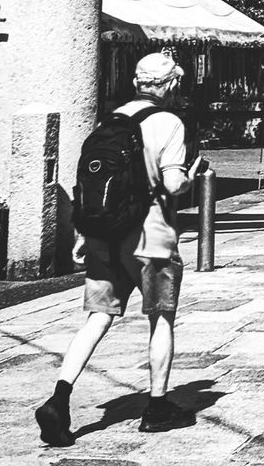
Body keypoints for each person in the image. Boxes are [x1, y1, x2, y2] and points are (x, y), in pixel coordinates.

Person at [35, 53, 204, 446]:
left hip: (103, 236)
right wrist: (190, 176)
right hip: (149, 237)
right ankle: (157, 407)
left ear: (136, 82)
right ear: (170, 85)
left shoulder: (109, 122)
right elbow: (174, 185)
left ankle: (59, 398)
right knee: (161, 317)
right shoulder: (169, 123)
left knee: (97, 319)